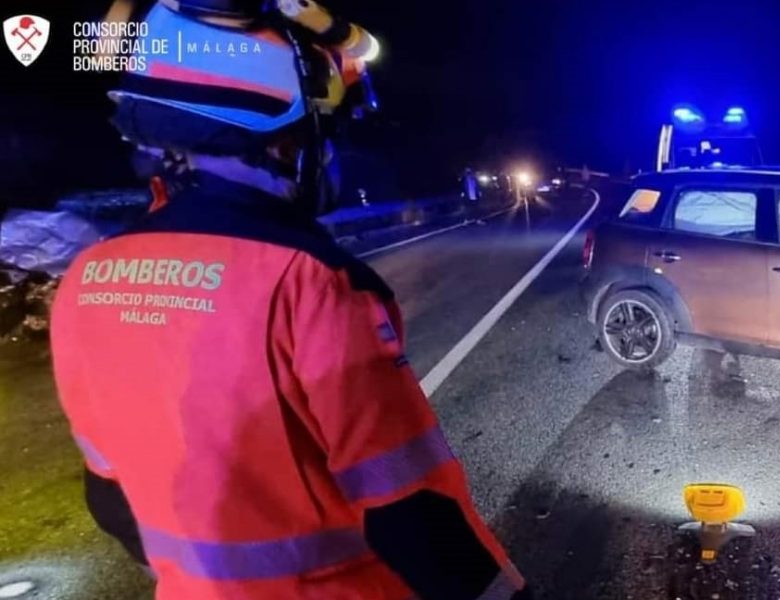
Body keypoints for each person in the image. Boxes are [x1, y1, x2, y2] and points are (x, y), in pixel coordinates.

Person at [50, 2, 528, 599]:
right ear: (279, 140)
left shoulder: (83, 283)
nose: (324, 154)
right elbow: (411, 513)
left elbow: (110, 499)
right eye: (316, 134)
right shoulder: (311, 283)